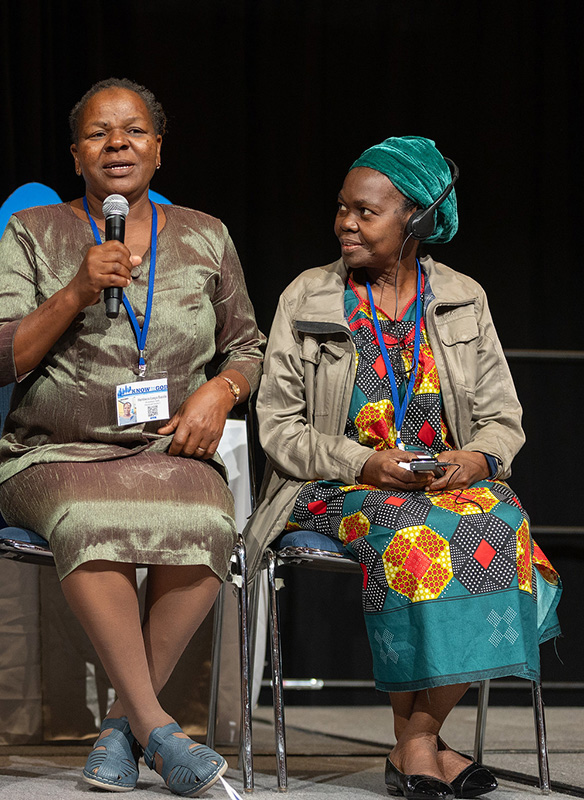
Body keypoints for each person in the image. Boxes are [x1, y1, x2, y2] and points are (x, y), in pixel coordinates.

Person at [0, 78, 264, 797]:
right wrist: (74, 290)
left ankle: (121, 729)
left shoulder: (205, 235)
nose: (117, 144)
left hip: (168, 451)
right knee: (90, 520)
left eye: (133, 131)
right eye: (99, 134)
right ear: (77, 156)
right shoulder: (33, 231)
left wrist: (220, 391)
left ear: (158, 149)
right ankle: (159, 731)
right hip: (52, 454)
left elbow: (248, 348)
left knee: (209, 522)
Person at [247, 136, 561, 800]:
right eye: (342, 209)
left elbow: (505, 414)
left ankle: (416, 742)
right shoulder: (309, 296)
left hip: (441, 482)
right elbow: (276, 427)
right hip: (331, 485)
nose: (345, 225)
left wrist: (475, 458)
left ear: (416, 220)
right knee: (415, 531)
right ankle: (422, 744)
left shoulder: (461, 297)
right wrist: (363, 459)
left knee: (504, 520)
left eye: (365, 212)